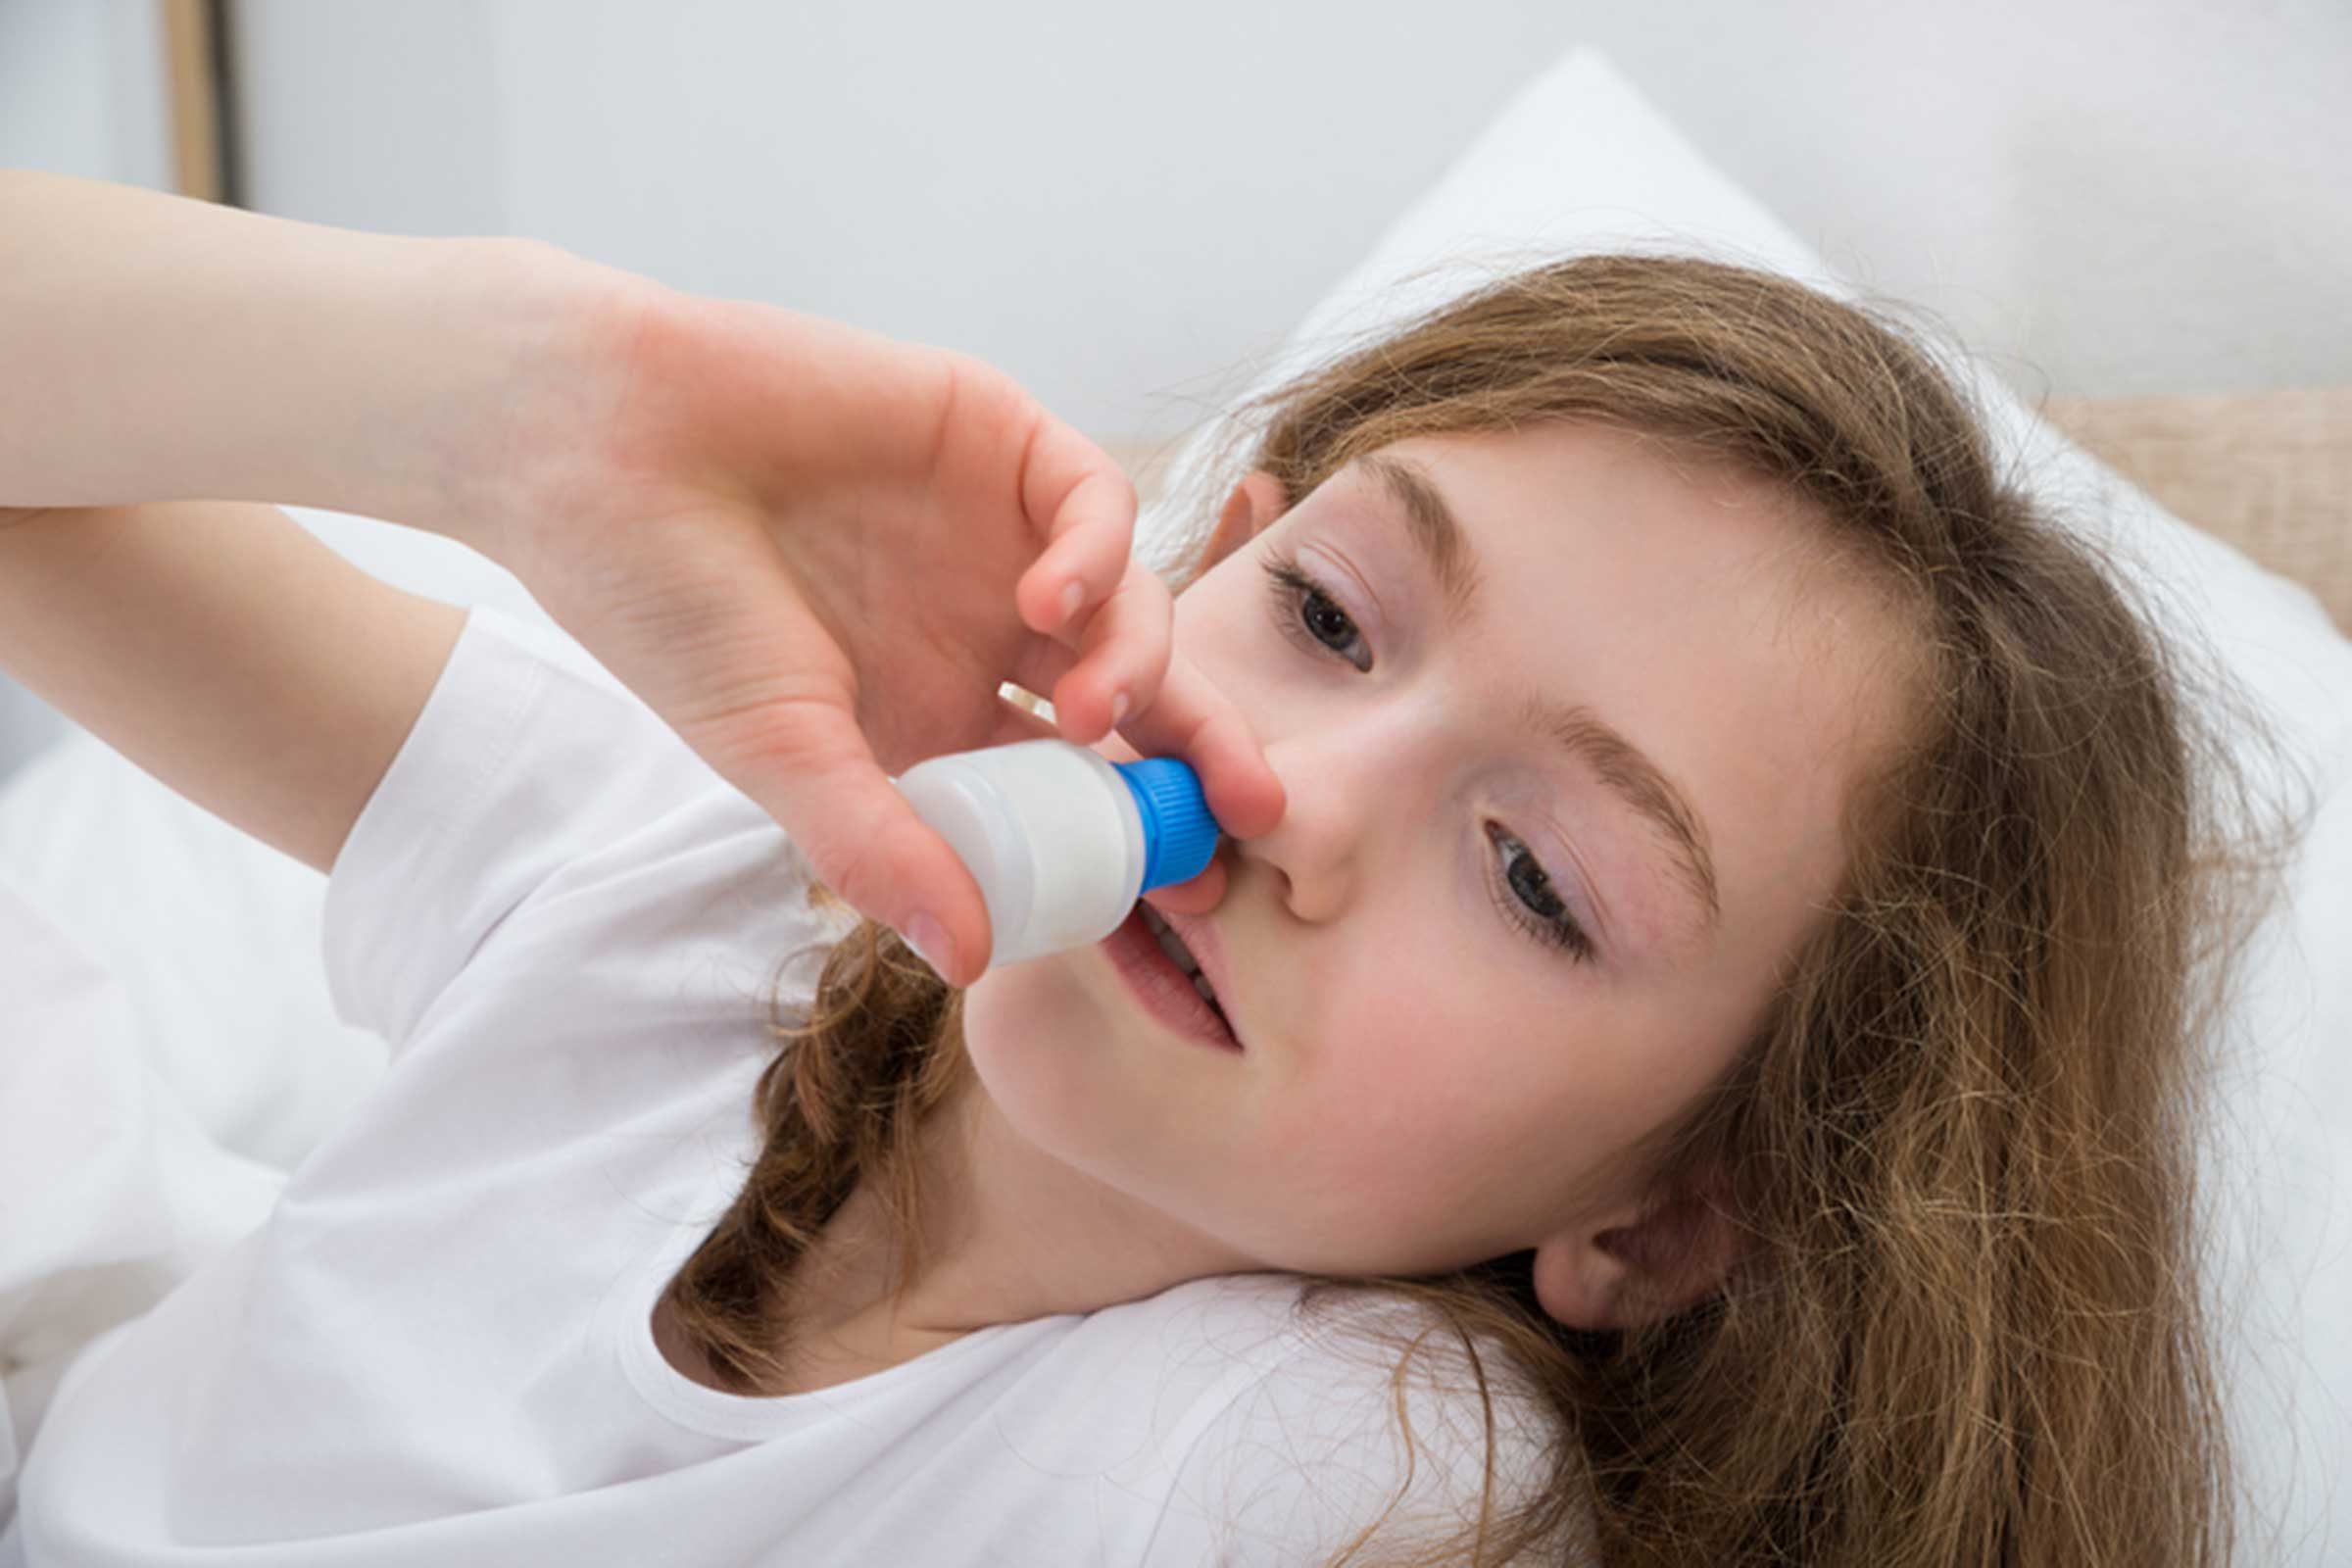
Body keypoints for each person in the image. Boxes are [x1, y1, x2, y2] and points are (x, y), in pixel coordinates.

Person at [0, 172, 2286, 1565]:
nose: (1288, 796)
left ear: (1673, 1213)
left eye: (1535, 878)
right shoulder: (698, 884)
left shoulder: (1333, 1463)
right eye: (1328, 617)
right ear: (1216, 545)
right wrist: (527, 389)